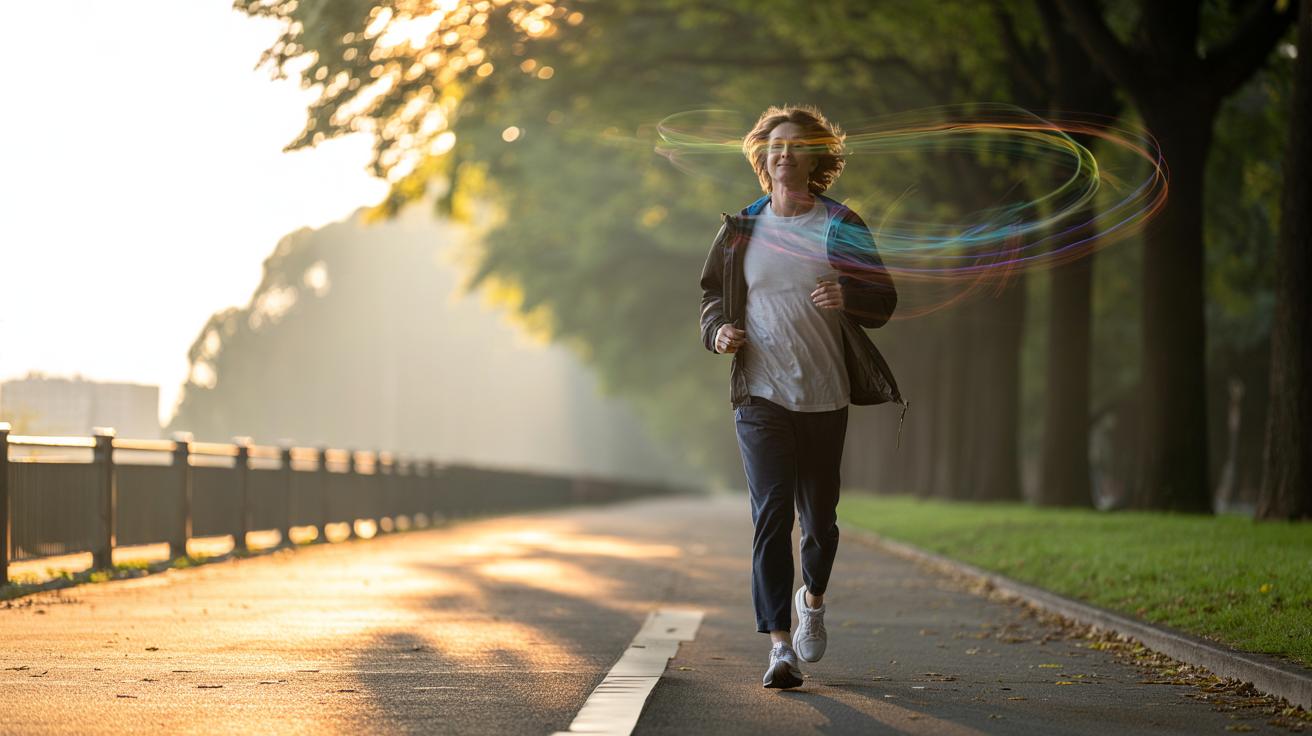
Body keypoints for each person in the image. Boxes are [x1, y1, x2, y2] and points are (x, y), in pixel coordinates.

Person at [698, 105, 902, 689]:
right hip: (760, 394)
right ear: (762, 158)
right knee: (770, 516)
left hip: (825, 393)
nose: (784, 154)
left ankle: (811, 598)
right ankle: (779, 647)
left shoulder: (840, 224)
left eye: (796, 146)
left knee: (820, 523)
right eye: (775, 146)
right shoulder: (740, 230)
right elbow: (712, 295)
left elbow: (882, 301)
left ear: (816, 159)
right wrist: (719, 333)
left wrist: (850, 299)